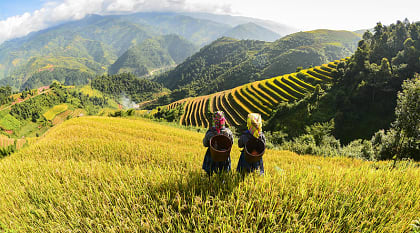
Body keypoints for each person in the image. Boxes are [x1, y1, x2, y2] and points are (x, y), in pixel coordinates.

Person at [202, 111, 234, 176]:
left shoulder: (210, 133)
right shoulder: (228, 132)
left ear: (214, 121)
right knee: (223, 174)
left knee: (209, 173)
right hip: (224, 155)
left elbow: (205, 144)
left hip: (212, 155)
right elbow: (231, 143)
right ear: (223, 120)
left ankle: (209, 181)